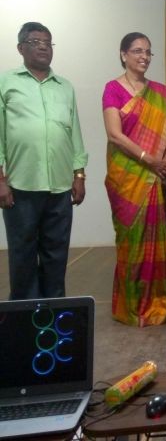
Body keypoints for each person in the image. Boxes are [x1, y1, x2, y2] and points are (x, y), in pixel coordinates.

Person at [0, 22, 88, 300]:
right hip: (21, 186)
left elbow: (74, 132)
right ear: (20, 48)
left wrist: (79, 175)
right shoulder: (6, 82)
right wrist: (1, 180)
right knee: (23, 256)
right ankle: (25, 323)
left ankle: (54, 320)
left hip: (60, 187)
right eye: (35, 41)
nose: (42, 47)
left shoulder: (65, 87)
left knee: (56, 257)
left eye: (47, 42)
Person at [103, 31, 166, 326]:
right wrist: (150, 160)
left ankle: (159, 302)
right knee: (130, 241)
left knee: (157, 237)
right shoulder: (113, 88)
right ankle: (133, 306)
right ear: (123, 54)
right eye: (137, 51)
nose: (144, 56)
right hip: (127, 177)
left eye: (148, 52)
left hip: (155, 175)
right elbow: (114, 134)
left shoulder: (160, 92)